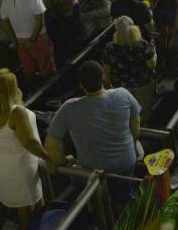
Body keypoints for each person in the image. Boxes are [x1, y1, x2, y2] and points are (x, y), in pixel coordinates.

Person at [46, 61, 141, 204]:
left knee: (81, 183)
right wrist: (131, 145)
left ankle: (92, 209)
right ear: (103, 77)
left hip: (90, 172)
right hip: (125, 164)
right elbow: (136, 128)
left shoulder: (69, 108)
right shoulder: (123, 94)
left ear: (81, 84)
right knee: (123, 195)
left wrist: (64, 161)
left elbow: (50, 147)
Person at [0, 69, 53, 229]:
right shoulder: (17, 112)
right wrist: (49, 159)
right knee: (29, 208)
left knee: (14, 204)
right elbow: (30, 142)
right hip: (20, 169)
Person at [0, 0, 55, 79]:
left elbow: (5, 23)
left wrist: (14, 41)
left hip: (20, 40)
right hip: (38, 38)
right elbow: (40, 22)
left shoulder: (6, 0)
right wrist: (31, 40)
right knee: (46, 68)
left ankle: (32, 88)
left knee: (28, 68)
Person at [102, 17, 157, 114]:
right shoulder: (143, 45)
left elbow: (106, 69)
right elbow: (151, 65)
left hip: (120, 87)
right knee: (144, 113)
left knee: (125, 113)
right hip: (143, 84)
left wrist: (107, 83)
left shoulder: (109, 48)